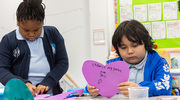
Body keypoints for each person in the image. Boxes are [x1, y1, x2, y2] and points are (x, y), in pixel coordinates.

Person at [86, 20, 172, 97]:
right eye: (123, 47)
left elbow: (165, 86)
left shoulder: (159, 62)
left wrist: (140, 89)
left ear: (145, 43)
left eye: (135, 46)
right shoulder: (111, 66)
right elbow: (98, 84)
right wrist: (92, 90)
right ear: (117, 49)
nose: (130, 51)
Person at [0, 0, 68, 96]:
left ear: (43, 22)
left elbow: (63, 62)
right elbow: (2, 70)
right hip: (20, 96)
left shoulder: (53, 33)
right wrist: (22, 84)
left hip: (51, 95)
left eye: (36, 30)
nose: (31, 34)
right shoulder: (8, 40)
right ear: (17, 21)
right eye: (26, 30)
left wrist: (48, 82)